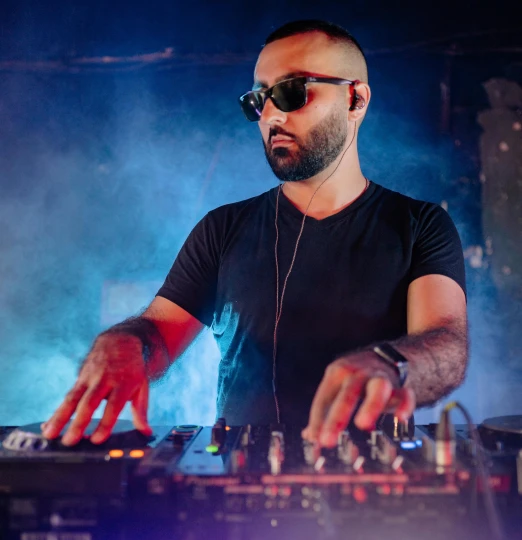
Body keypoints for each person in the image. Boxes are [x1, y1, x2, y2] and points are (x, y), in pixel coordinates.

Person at [42, 19, 467, 450]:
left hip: (376, 488)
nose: (270, 115)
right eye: (257, 99)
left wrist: (388, 364)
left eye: (291, 92)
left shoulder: (420, 225)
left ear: (355, 99)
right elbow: (158, 335)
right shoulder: (222, 229)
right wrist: (125, 342)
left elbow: (446, 344)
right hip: (241, 485)